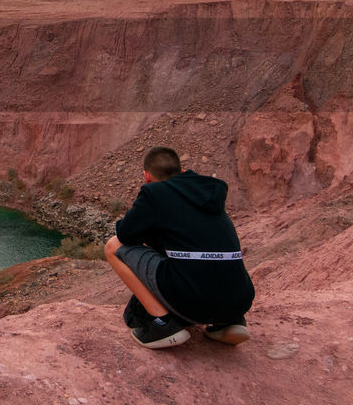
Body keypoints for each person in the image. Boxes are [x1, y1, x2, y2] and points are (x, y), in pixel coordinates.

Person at [103, 146, 255, 349]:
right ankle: (230, 321)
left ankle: (162, 323)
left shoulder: (154, 192)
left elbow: (125, 234)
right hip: (239, 300)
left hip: (192, 299)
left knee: (113, 246)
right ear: (182, 172)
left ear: (146, 176)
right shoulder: (209, 192)